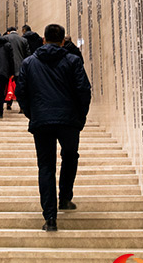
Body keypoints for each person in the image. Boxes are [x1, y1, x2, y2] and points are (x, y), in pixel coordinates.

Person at [15, 23, 91, 232]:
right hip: (68, 120)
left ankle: (50, 218)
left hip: (42, 120)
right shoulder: (73, 61)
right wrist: (80, 116)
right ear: (63, 41)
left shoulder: (29, 62)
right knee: (70, 157)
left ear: (43, 40)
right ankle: (65, 198)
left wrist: (32, 113)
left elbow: (21, 92)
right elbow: (84, 90)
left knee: (46, 166)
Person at [4, 27, 29, 110]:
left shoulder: (5, 38)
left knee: (7, 86)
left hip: (7, 66)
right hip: (20, 66)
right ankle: (21, 106)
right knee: (20, 87)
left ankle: (8, 103)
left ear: (8, 32)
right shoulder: (23, 40)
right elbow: (27, 54)